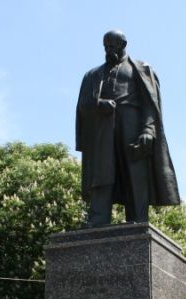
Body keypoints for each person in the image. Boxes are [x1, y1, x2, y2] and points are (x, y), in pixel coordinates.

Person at [76, 30, 180, 227]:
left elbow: (151, 104)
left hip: (132, 124)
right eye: (106, 46)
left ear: (123, 44)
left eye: (113, 46)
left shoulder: (141, 69)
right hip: (103, 127)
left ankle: (138, 219)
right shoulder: (93, 75)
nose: (109, 50)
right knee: (102, 173)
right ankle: (98, 220)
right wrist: (99, 104)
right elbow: (82, 105)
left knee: (136, 174)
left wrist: (148, 130)